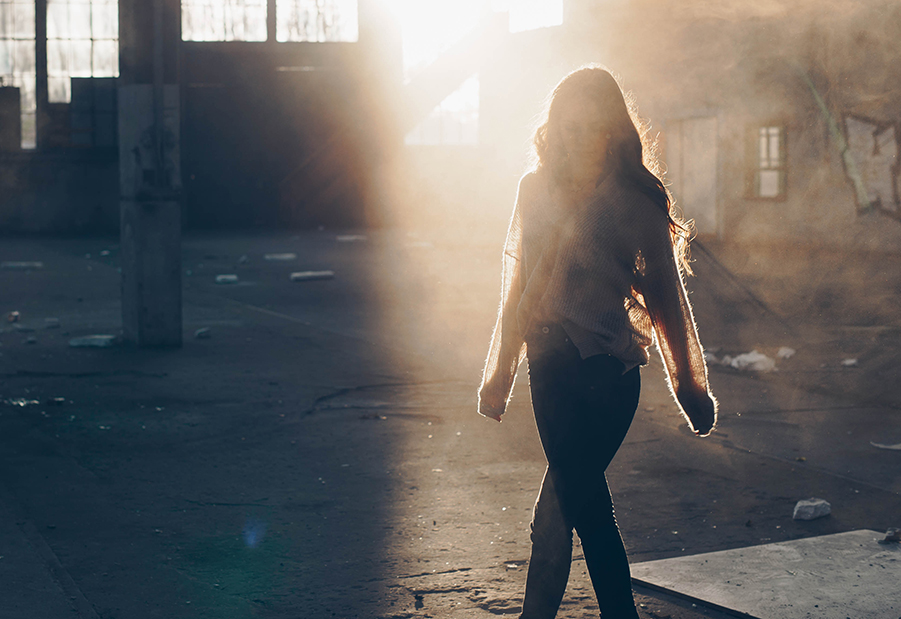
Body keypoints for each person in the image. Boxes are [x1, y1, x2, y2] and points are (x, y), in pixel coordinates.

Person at [477, 66, 718, 619]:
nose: (578, 137)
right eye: (568, 125)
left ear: (613, 130)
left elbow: (665, 298)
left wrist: (689, 387)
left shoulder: (636, 199)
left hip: (609, 375)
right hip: (550, 368)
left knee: (557, 512)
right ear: (553, 127)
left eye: (591, 126)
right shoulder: (533, 189)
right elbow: (518, 283)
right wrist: (500, 373)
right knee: (586, 512)